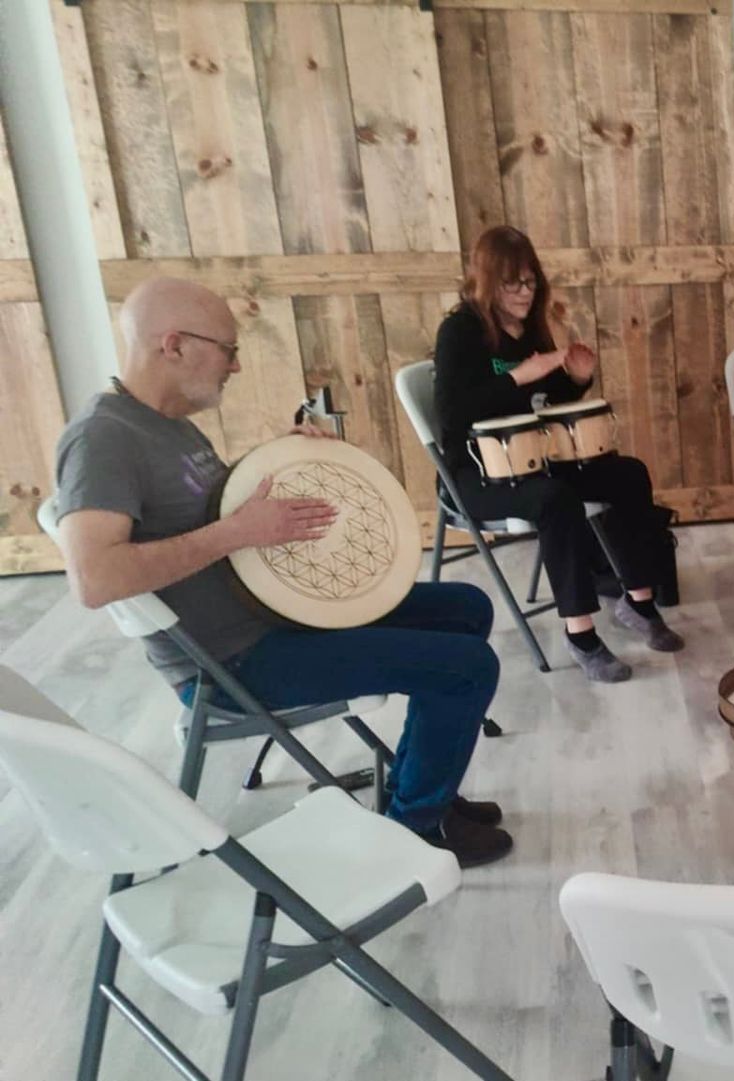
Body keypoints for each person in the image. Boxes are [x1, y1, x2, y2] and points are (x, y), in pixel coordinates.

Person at [52, 277, 513, 867]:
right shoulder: (102, 438)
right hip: (233, 663)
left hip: (272, 613)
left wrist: (289, 459)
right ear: (174, 345)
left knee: (466, 608)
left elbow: (215, 510)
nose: (236, 365)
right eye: (228, 349)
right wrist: (237, 532)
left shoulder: (169, 426)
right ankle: (417, 825)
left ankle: (424, 784)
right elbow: (95, 579)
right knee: (467, 667)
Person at [434, 225, 683, 683]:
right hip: (476, 473)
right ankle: (581, 635)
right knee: (555, 499)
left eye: (530, 282)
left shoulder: (530, 329)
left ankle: (638, 601)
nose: (525, 293)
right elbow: (452, 415)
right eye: (512, 284)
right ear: (487, 281)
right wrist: (519, 375)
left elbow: (546, 402)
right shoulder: (460, 330)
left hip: (537, 459)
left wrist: (576, 380)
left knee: (628, 474)